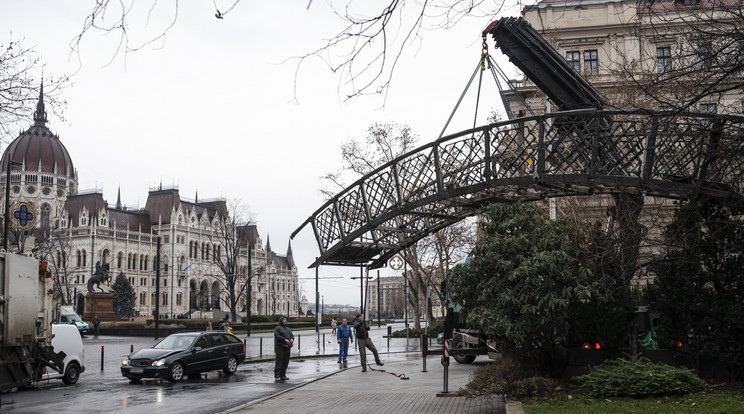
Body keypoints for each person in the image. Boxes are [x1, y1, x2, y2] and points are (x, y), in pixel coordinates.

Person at [274, 316, 294, 381]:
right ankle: (277, 375)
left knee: (286, 361)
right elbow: (276, 335)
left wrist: (292, 339)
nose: (285, 321)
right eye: (284, 319)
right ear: (281, 321)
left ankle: (283, 375)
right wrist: (284, 339)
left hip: (287, 347)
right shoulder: (278, 328)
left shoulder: (288, 329)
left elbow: (292, 335)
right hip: (280, 346)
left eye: (286, 319)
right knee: (279, 361)